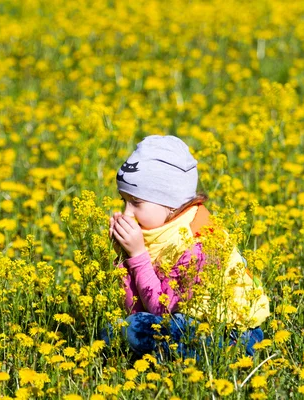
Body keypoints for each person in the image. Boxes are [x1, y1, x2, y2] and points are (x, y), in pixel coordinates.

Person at [106, 135, 270, 360]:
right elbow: (134, 308)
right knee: (116, 329)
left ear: (171, 202)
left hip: (232, 336)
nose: (127, 213)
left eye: (136, 202)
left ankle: (214, 358)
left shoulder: (197, 244)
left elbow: (160, 311)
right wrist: (124, 257)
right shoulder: (160, 230)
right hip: (186, 323)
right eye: (123, 201)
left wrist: (137, 255)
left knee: (129, 330)